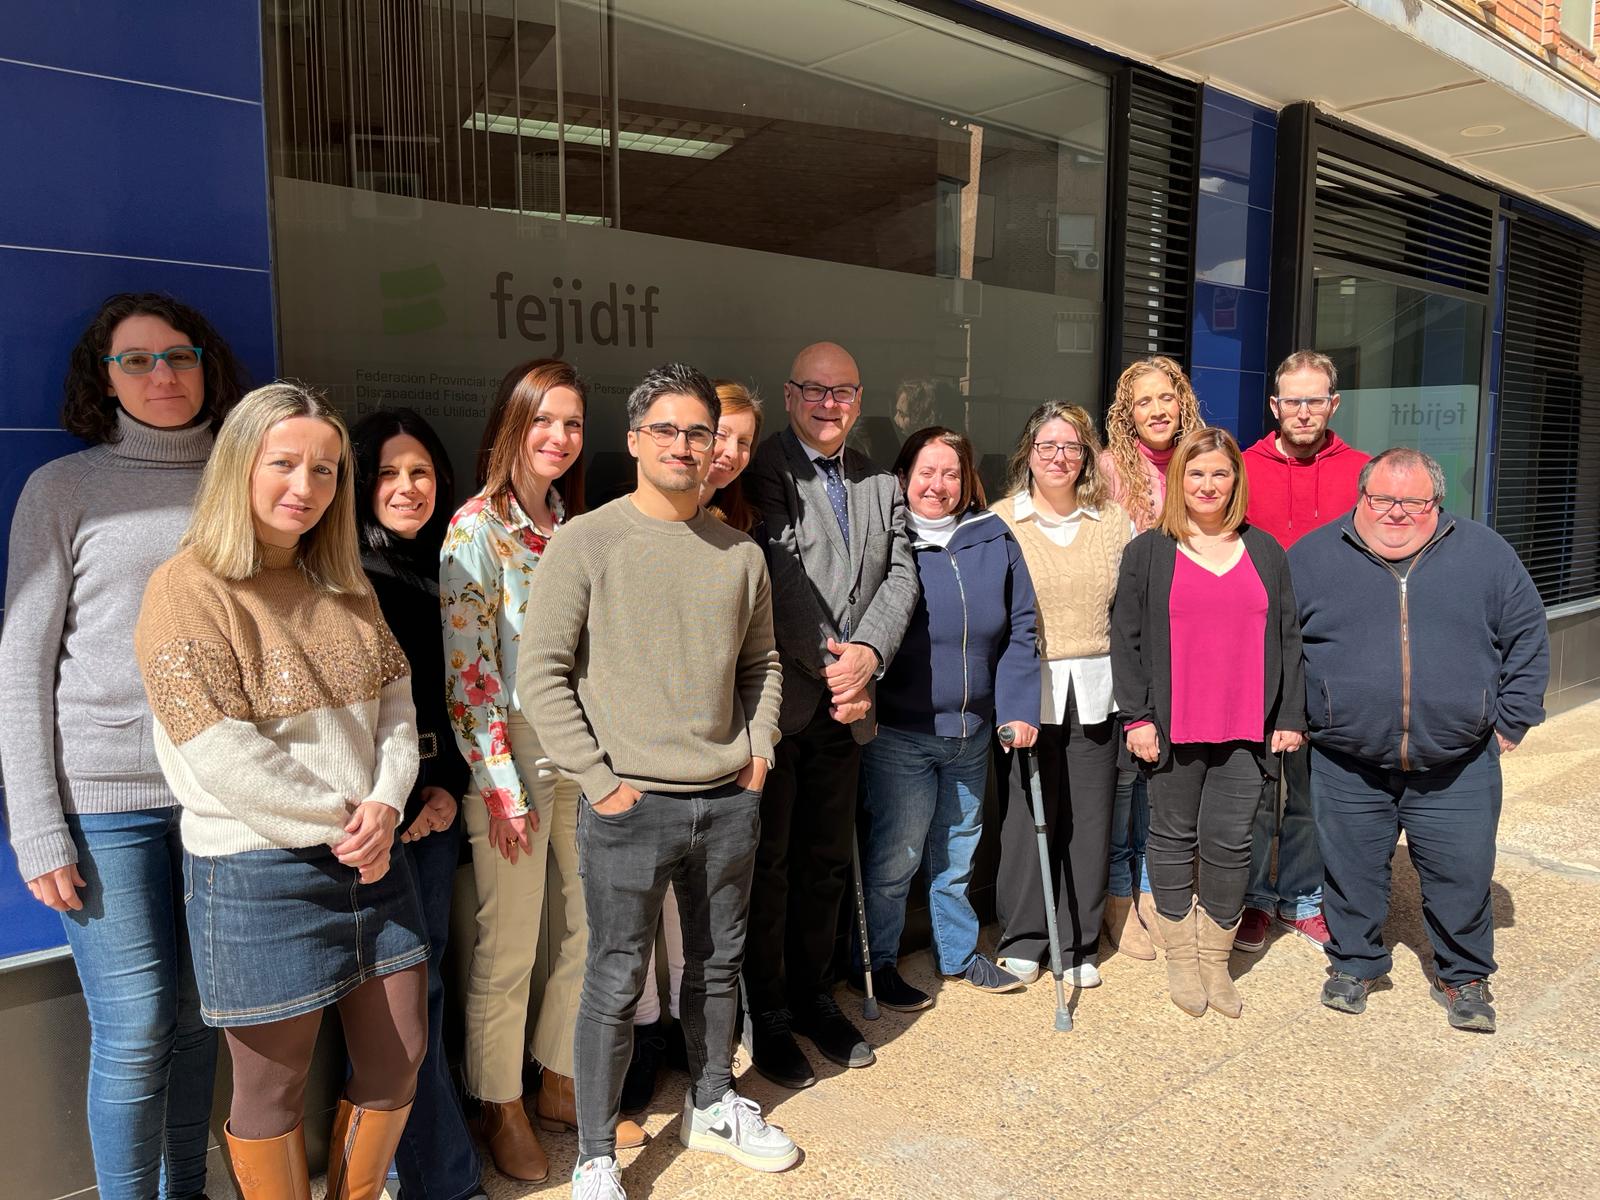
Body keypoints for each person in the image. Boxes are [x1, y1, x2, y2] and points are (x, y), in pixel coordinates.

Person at [133, 382, 427, 1197]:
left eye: (328, 470)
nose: (307, 486)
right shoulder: (184, 587)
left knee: (400, 1056)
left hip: (370, 856)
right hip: (257, 874)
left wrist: (387, 802)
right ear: (239, 466)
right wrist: (349, 817)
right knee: (271, 1091)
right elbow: (217, 749)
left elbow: (398, 709)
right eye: (285, 464)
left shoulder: (345, 583)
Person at [521, 362, 795, 1199]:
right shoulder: (586, 541)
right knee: (613, 976)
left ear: (717, 446)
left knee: (716, 967)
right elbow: (541, 675)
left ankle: (713, 1104)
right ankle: (597, 1155)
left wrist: (758, 752)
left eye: (699, 432)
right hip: (628, 807)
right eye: (666, 430)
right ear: (636, 440)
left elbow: (764, 663)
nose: (684, 446)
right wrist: (601, 782)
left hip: (725, 801)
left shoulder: (739, 553)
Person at [0, 292, 243, 1200]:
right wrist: (37, 826)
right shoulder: (63, 489)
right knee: (137, 1023)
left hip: (222, 795)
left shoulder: (244, 477)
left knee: (196, 1017)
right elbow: (21, 660)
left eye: (177, 355)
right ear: (103, 379)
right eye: (135, 360)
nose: (162, 376)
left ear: (205, 363)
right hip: (107, 803)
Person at [442, 359, 645, 1182]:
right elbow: (470, 677)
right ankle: (501, 1102)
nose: (559, 438)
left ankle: (561, 1081)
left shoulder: (576, 526)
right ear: (511, 424)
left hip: (584, 744)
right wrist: (499, 786)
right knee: (508, 944)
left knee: (592, 928)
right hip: (512, 750)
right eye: (544, 421)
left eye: (572, 423)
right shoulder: (474, 531)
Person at [1290, 448, 1548, 1033]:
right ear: (1362, 497)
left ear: (1436, 503)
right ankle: (1354, 964)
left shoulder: (1485, 554)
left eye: (1414, 501)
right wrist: (1297, 717)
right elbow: (1279, 644)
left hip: (1456, 760)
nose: (1396, 512)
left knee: (1462, 872)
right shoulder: (1312, 556)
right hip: (1346, 756)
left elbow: (1528, 635)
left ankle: (1463, 976)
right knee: (1351, 869)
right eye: (1382, 498)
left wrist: (1512, 718)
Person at [742, 341, 919, 1088]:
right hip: (785, 700)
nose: (828, 403)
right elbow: (779, 569)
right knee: (771, 867)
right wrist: (831, 660)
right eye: (813, 390)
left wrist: (868, 659)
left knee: (825, 863)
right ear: (789, 396)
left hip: (849, 705)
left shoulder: (880, 477)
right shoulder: (767, 469)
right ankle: (772, 1013)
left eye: (842, 391)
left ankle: (816, 997)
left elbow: (903, 571)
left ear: (857, 397)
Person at [1112, 427, 1305, 1019]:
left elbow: (1289, 638)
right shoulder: (1149, 550)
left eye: (1220, 473)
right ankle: (1180, 960)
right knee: (1170, 841)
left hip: (1247, 728)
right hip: (1171, 728)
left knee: (1231, 844)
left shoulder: (1266, 551)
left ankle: (1216, 963)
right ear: (1178, 480)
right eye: (1196, 474)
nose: (1207, 484)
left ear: (1235, 481)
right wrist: (1137, 718)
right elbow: (1127, 639)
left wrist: (1290, 715)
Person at [856, 426, 1040, 1006]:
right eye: (926, 473)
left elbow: (1022, 628)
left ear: (968, 480)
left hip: (973, 732)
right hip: (901, 734)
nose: (939, 485)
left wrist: (1016, 708)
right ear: (904, 478)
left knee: (958, 852)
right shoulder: (886, 541)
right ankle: (880, 962)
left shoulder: (992, 536)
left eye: (952, 473)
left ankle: (957, 956)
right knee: (896, 857)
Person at [351, 409, 486, 1200]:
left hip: (438, 805)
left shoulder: (452, 565)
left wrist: (449, 792)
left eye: (422, 472)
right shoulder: (343, 574)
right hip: (373, 816)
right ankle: (429, 1176)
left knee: (426, 985)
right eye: (390, 474)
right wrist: (399, 803)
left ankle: (426, 1168)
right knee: (389, 1005)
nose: (408, 488)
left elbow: (467, 691)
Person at [624, 379, 766, 1114]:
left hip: (721, 769)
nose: (722, 453)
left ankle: (699, 1057)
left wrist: (756, 752)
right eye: (720, 436)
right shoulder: (619, 529)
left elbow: (756, 657)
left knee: (699, 930)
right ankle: (647, 1040)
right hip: (634, 773)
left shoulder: (737, 533)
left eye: (736, 441)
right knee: (633, 937)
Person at [991, 403, 1131, 988]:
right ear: (1028, 452)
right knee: (1027, 814)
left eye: (1071, 446)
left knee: (1090, 815)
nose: (1059, 457)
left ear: (1086, 457)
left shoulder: (1112, 522)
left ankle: (1076, 940)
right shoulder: (1001, 522)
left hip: (1098, 688)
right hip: (1030, 686)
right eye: (1047, 445)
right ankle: (1024, 934)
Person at [1238, 351, 1369, 954]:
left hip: (1332, 656)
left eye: (1315, 400)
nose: (1304, 411)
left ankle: (1301, 897)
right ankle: (1253, 900)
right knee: (1260, 784)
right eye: (1293, 400)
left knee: (1312, 789)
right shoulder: (1242, 468)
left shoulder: (1365, 474)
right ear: (1275, 405)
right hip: (1256, 652)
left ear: (1333, 405)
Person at [1098, 356, 1206, 957]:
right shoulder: (1113, 471)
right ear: (1127, 413)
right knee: (1124, 781)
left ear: (1182, 402)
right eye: (1144, 401)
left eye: (1167, 397)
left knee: (1167, 781)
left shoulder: (1204, 463)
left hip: (1188, 649)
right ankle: (1120, 898)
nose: (1158, 410)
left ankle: (1154, 891)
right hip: (1130, 643)